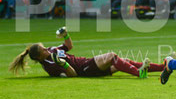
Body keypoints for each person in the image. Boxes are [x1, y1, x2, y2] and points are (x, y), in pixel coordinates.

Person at [9, 27, 164, 78]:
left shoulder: (52, 51)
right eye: (42, 49)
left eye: (44, 47)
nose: (45, 49)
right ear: (38, 56)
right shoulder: (49, 65)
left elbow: (69, 47)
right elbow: (72, 74)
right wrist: (62, 63)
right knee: (112, 56)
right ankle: (139, 73)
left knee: (125, 61)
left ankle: (162, 68)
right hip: (84, 69)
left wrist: (66, 34)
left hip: (86, 63)